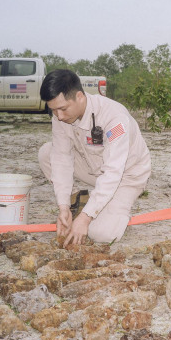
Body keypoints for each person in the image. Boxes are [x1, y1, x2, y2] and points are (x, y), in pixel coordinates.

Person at [38, 69, 151, 248]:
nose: (59, 116)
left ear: (80, 97)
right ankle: (79, 202)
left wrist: (85, 218)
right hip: (94, 168)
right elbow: (61, 159)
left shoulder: (115, 118)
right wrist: (63, 207)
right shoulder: (60, 117)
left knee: (101, 234)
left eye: (63, 109)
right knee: (47, 153)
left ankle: (111, 209)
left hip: (126, 176)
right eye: (53, 111)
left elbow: (113, 172)